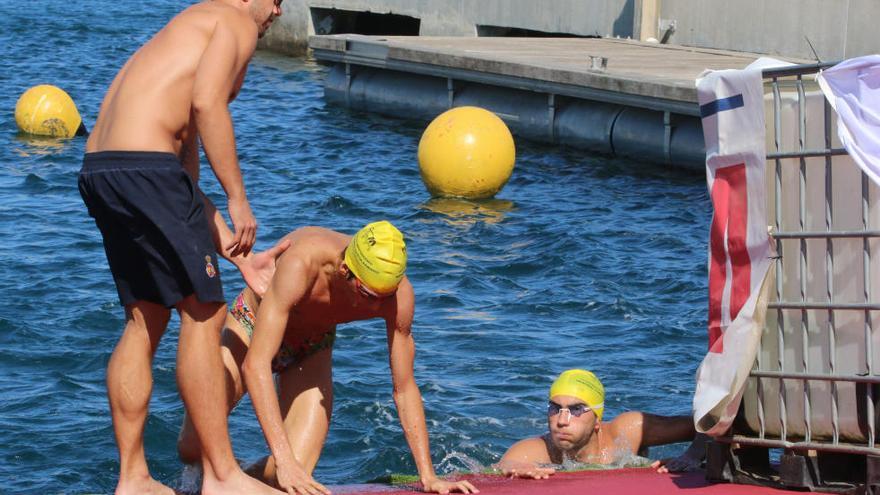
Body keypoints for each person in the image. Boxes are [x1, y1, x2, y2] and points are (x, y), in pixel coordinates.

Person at [77, 1, 288, 494]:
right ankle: (221, 475)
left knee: (145, 317)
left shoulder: (187, 25)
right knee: (204, 312)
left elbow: (181, 179)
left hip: (104, 169)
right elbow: (207, 104)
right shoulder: (235, 20)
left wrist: (234, 254)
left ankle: (134, 479)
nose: (279, 9)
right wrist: (239, 200)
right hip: (146, 168)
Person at [178, 222, 479, 495]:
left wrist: (428, 475)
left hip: (312, 346)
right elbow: (255, 365)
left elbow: (404, 387)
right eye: (369, 294)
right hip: (252, 327)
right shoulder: (304, 262)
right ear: (345, 270)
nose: (379, 304)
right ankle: (223, 472)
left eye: (387, 294)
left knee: (292, 478)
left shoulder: (397, 296)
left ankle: (235, 477)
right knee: (193, 447)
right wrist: (284, 460)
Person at [497, 369, 707, 479]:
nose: (561, 421)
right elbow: (502, 466)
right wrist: (513, 469)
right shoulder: (539, 450)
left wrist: (691, 456)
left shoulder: (629, 430)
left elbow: (707, 426)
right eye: (554, 408)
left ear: (597, 420)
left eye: (576, 410)